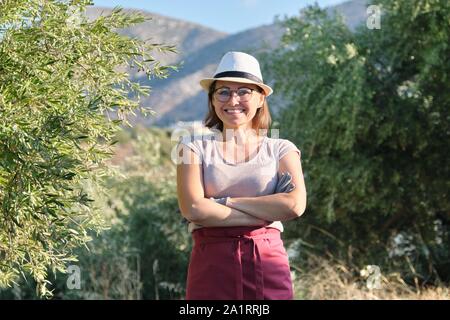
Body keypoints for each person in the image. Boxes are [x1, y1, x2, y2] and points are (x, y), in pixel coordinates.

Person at [176, 51, 307, 300]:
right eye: (223, 91)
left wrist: (224, 203)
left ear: (260, 99)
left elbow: (294, 205)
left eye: (244, 91)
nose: (233, 100)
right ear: (213, 100)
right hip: (211, 268)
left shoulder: (282, 149)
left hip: (268, 265)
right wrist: (266, 211)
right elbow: (193, 209)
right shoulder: (189, 147)